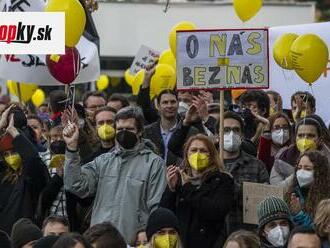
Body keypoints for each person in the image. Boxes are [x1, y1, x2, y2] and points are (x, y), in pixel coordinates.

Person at [63, 106, 166, 243]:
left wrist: (146, 230)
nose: (123, 133)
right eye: (120, 129)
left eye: (129, 129)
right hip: (99, 241)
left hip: (132, 241)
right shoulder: (103, 161)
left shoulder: (154, 164)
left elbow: (156, 206)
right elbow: (76, 185)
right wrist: (72, 148)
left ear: (140, 131)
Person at [160, 134, 234, 248]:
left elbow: (216, 210)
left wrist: (187, 188)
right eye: (193, 150)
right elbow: (164, 213)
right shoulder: (179, 178)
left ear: (211, 155)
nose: (198, 154)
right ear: (186, 155)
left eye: (203, 151)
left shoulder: (223, 180)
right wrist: (171, 189)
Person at [0, 105, 49, 234]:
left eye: (14, 152)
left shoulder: (32, 174)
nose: (10, 157)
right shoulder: (3, 175)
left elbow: (33, 160)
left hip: (27, 236)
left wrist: (15, 133)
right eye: (6, 154)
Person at [223, 111, 269, 234]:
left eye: (236, 130)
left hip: (247, 235)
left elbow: (263, 205)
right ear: (217, 134)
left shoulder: (257, 165)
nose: (231, 134)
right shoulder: (210, 164)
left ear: (242, 134)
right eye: (226, 130)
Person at [144, 89, 198, 166]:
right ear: (158, 106)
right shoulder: (147, 132)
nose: (169, 106)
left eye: (173, 102)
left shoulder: (191, 131)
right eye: (165, 102)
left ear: (178, 104)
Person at [270, 118, 330, 187]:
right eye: (300, 136)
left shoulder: (328, 161)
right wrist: (299, 172)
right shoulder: (283, 159)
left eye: (310, 136)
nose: (304, 140)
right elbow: (276, 189)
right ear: (295, 138)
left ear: (320, 140)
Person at [286, 151, 330, 228]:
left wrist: (299, 214)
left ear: (320, 172)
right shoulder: (293, 192)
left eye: (308, 169)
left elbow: (322, 229)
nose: (301, 172)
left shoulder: (327, 198)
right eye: (299, 168)